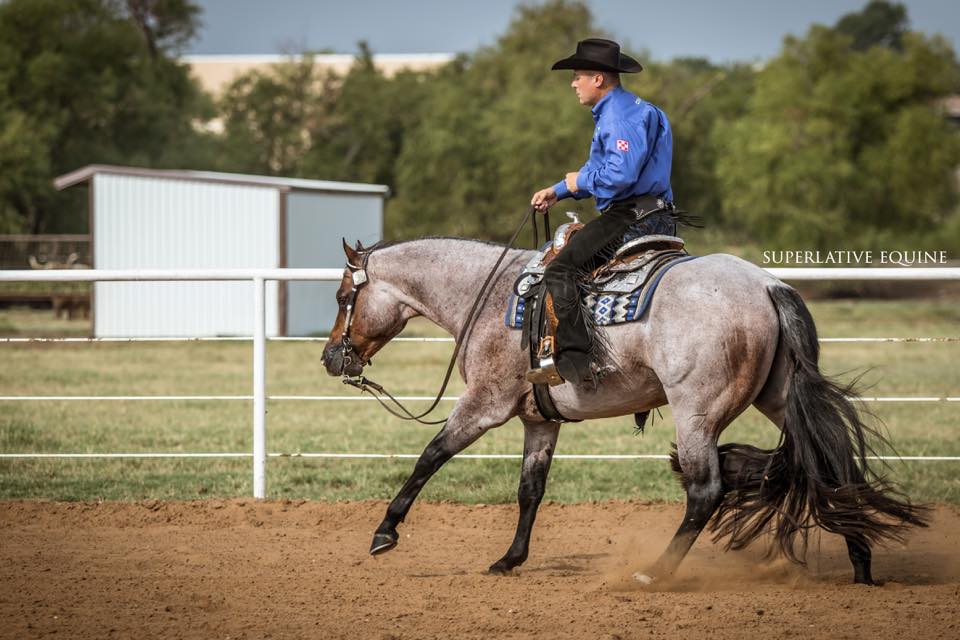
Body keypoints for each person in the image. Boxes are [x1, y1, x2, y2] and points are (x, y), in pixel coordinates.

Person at [529, 38, 676, 385]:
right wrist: (560, 190)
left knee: (560, 271)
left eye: (578, 75)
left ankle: (579, 363)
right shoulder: (638, 109)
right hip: (657, 212)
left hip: (630, 217)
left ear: (598, 79)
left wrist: (579, 181)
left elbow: (619, 175)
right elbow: (605, 166)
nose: (573, 83)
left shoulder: (619, 118)